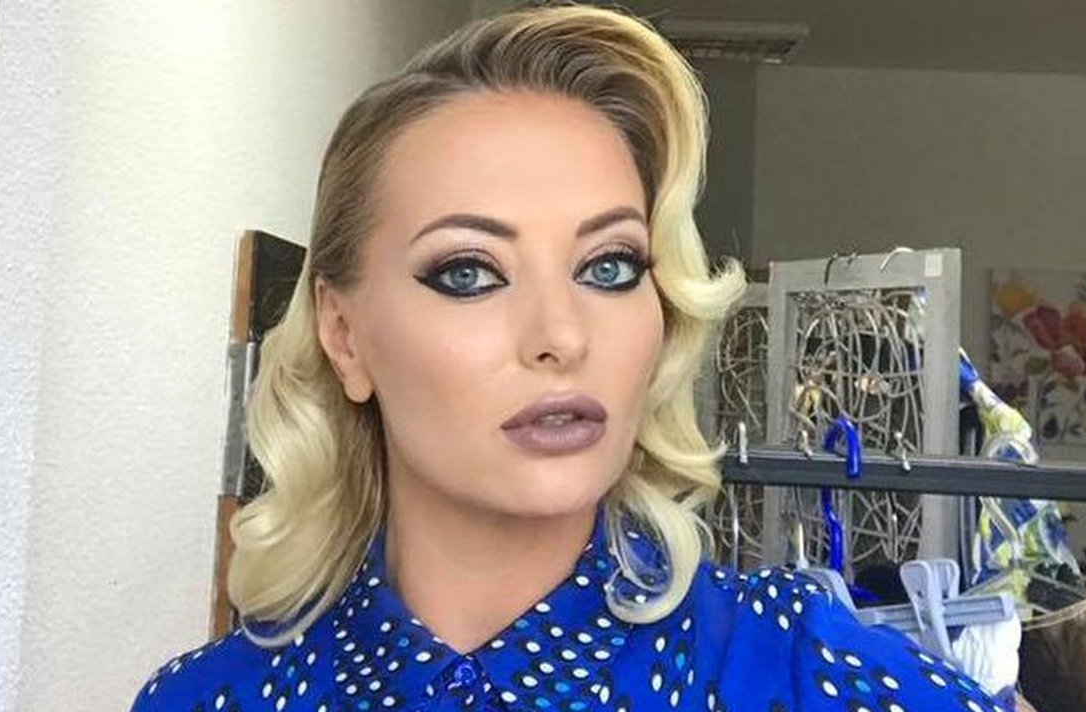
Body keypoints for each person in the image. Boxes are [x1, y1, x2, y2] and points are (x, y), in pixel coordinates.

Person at [129, 4, 1010, 711]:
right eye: (469, 272)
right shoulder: (211, 699)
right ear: (344, 335)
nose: (563, 333)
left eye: (608, 266)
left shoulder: (803, 671)